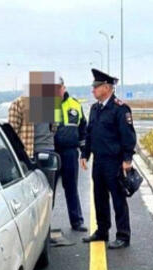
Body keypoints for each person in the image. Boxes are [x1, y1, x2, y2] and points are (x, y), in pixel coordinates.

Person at [80, 68, 137, 249]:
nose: (93, 90)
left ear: (106, 87)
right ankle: (102, 231)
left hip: (114, 161)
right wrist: (85, 154)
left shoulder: (120, 109)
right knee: (99, 197)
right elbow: (90, 133)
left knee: (118, 198)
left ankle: (123, 235)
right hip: (99, 161)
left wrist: (127, 160)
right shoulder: (95, 109)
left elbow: (128, 136)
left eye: (96, 87)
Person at [54, 77, 87, 232]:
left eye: (58, 87)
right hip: (51, 154)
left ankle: (77, 221)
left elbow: (82, 129)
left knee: (71, 188)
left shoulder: (75, 104)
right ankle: (44, 227)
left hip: (70, 152)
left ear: (63, 87)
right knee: (48, 192)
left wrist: (84, 152)